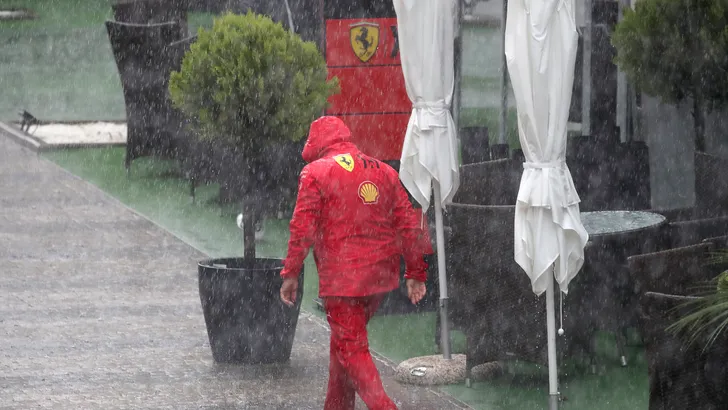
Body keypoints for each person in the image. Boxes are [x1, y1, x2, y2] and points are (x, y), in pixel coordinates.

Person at [279, 116, 431, 410]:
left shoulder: (314, 173)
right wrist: (415, 272)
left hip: (341, 281)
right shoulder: (385, 171)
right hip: (379, 279)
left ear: (316, 144)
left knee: (352, 349)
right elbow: (409, 226)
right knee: (345, 345)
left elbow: (302, 229)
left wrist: (291, 273)